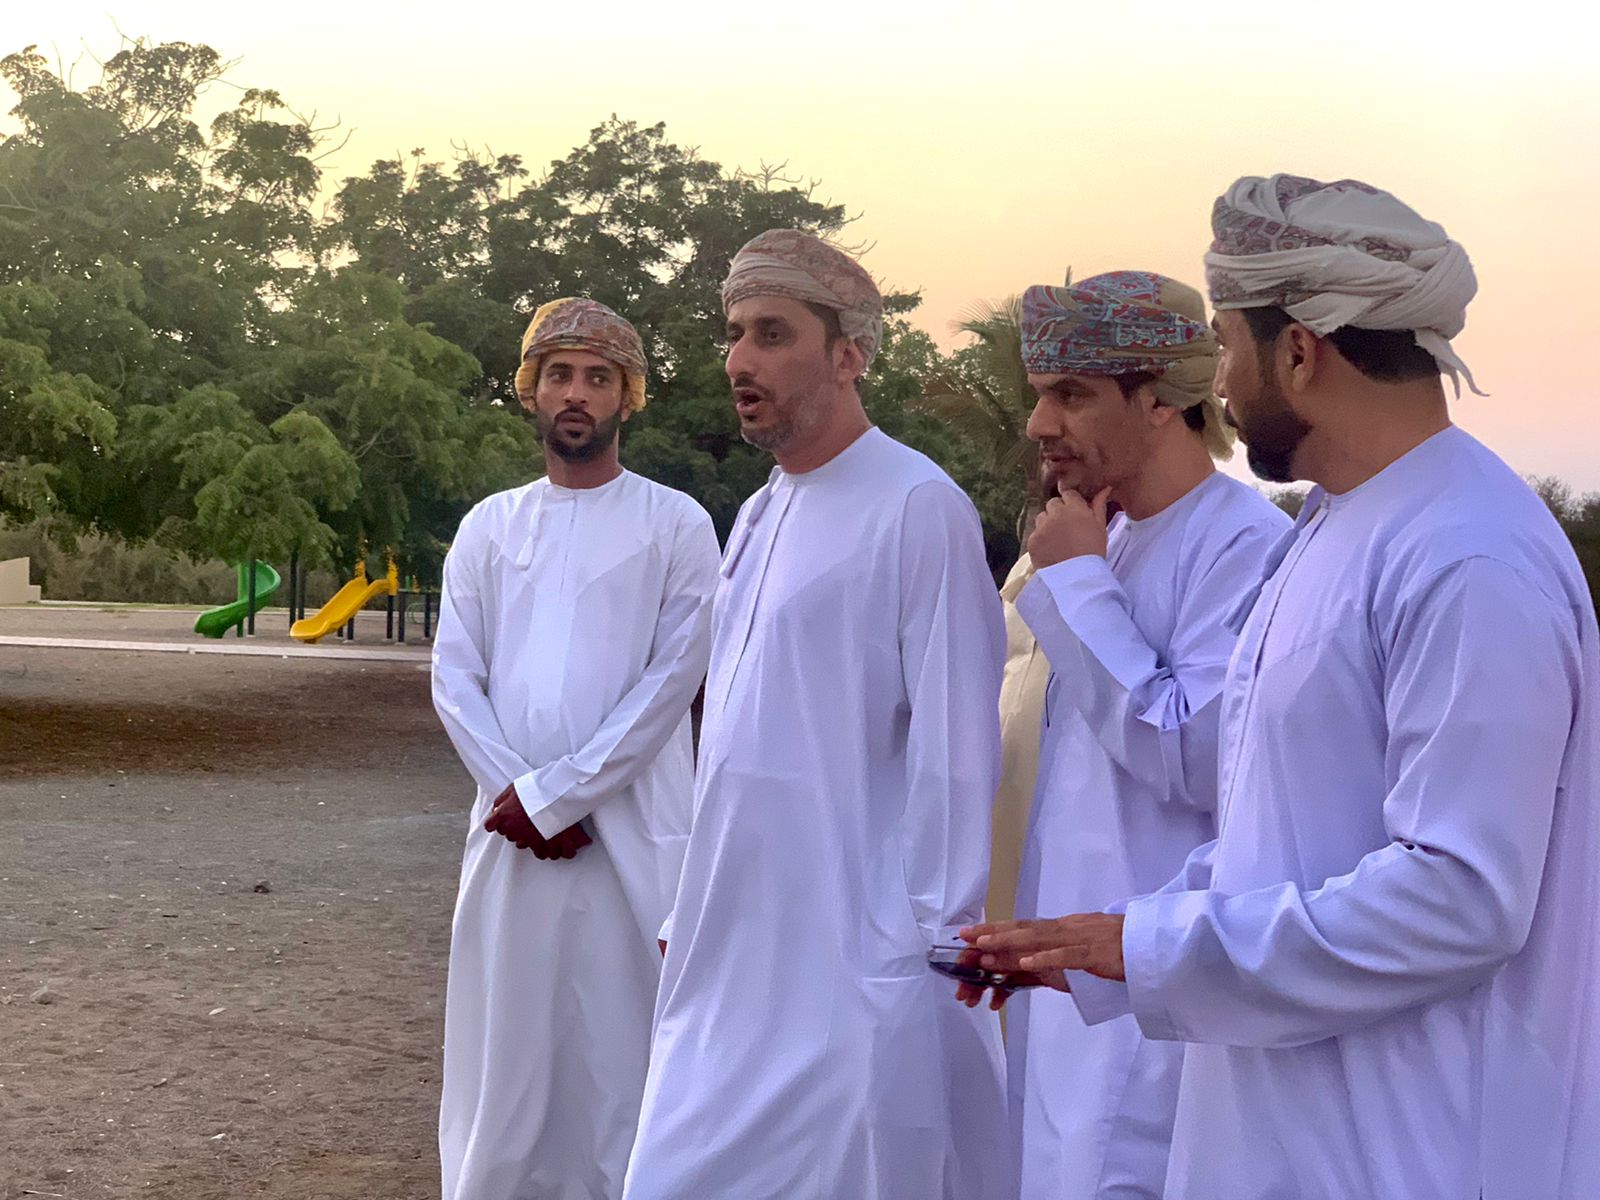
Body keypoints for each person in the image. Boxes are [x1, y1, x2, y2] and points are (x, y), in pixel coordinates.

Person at [965, 175, 1600, 1199]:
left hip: (1414, 1145)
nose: (1217, 382)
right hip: (1287, 1125)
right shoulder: (1335, 527)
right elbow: (1282, 833)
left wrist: (1151, 945)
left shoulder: (1468, 554)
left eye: (1226, 347)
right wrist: (1104, 938)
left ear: (1297, 351)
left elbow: (1461, 897)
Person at [623, 230, 1013, 1200]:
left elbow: (956, 755)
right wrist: (690, 902)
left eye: (771, 334)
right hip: (729, 950)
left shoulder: (917, 505)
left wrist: (926, 951)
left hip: (852, 968)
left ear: (849, 354)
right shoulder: (760, 512)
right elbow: (736, 739)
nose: (738, 361)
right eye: (733, 334)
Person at [985, 271, 1287, 1199]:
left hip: (1154, 1008)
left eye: (1072, 395)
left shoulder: (1246, 546)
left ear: (1160, 399)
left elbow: (1195, 756)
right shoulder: (1093, 539)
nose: (1040, 423)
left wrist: (1078, 583)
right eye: (1041, 394)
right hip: (1058, 987)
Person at [432, 297, 720, 1200]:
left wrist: (560, 798)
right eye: (559, 374)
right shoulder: (489, 525)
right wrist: (519, 796)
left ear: (627, 397)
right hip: (510, 835)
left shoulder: (678, 522)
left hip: (632, 832)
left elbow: (673, 681)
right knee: (507, 1045)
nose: (577, 393)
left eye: (599, 378)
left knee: (623, 1050)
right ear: (531, 389)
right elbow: (455, 678)